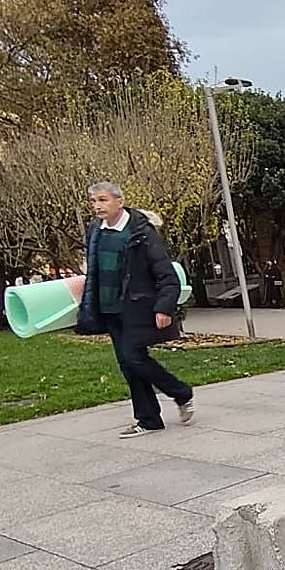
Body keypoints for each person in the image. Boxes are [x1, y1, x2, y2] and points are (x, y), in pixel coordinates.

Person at [75, 182, 194, 438]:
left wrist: (164, 308)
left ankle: (181, 392)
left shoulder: (141, 232)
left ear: (120, 201)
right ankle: (149, 419)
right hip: (108, 310)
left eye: (103, 200)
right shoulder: (95, 231)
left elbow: (166, 275)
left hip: (136, 308)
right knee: (128, 365)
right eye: (94, 201)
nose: (97, 206)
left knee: (133, 358)